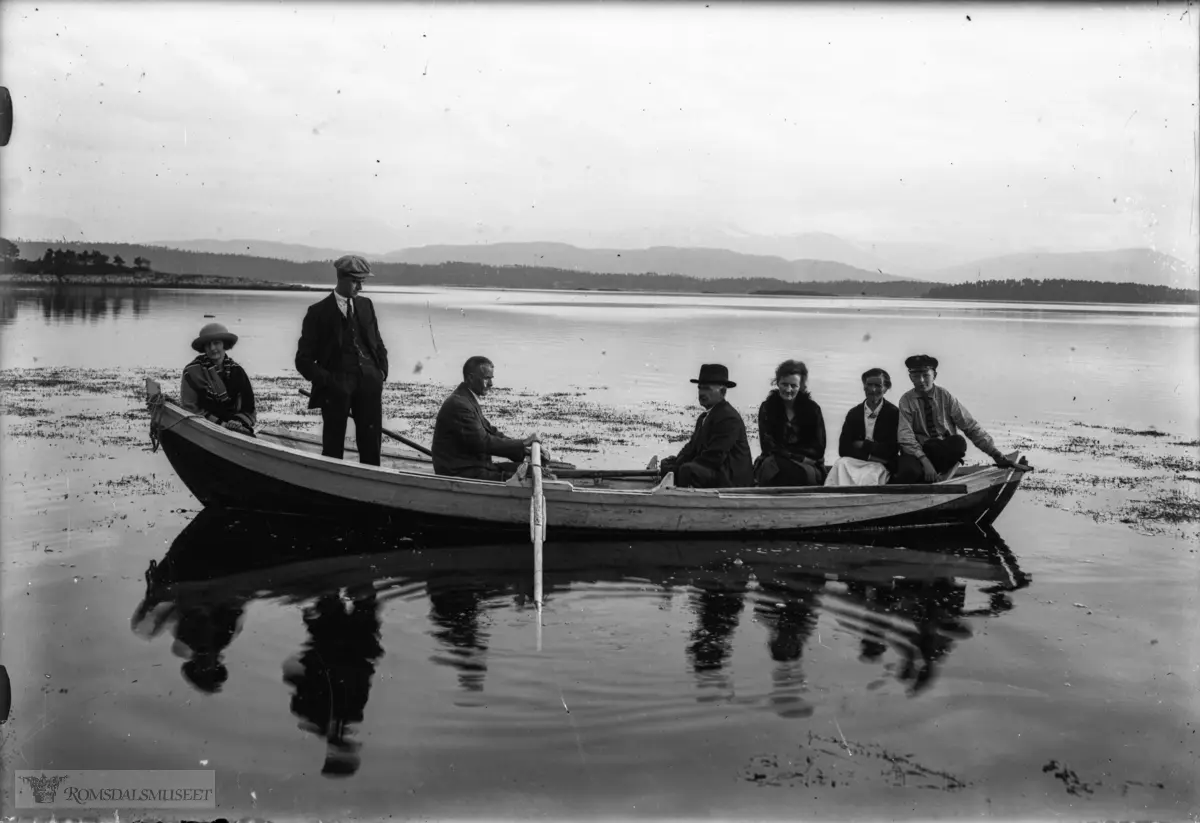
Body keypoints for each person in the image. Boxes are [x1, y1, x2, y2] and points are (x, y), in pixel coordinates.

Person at [295, 255, 389, 466]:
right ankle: (333, 485)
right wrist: (329, 381)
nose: (361, 287)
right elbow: (303, 360)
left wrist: (381, 371)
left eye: (362, 281)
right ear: (343, 279)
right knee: (333, 445)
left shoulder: (366, 306)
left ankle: (372, 483)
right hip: (336, 386)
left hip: (370, 382)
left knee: (371, 444)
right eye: (357, 281)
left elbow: (377, 342)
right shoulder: (317, 312)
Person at [893, 354, 1024, 484]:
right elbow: (905, 437)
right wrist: (925, 462)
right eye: (916, 376)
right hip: (919, 453)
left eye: (926, 375)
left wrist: (996, 455)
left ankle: (944, 476)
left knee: (958, 442)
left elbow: (970, 426)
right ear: (910, 378)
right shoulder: (906, 401)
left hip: (941, 451)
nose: (921, 380)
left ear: (934, 376)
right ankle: (930, 477)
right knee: (909, 472)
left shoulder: (945, 396)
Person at [431, 356, 550, 480]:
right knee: (527, 478)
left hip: (473, 467)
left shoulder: (466, 399)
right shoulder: (459, 405)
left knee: (529, 470)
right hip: (459, 472)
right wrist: (523, 443)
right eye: (486, 378)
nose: (491, 384)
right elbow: (484, 442)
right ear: (471, 378)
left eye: (491, 378)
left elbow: (491, 431)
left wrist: (524, 450)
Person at [659, 364, 753, 489]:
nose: (702, 393)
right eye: (700, 388)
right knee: (669, 464)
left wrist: (680, 468)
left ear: (723, 391)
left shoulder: (729, 418)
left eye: (707, 389)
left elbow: (715, 456)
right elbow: (691, 448)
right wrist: (676, 462)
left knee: (688, 470)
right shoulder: (704, 417)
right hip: (716, 472)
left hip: (731, 479)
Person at [753, 359, 826, 486]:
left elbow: (818, 448)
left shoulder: (813, 410)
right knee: (772, 467)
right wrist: (795, 456)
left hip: (808, 464)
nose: (788, 390)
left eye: (794, 386)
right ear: (777, 383)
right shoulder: (767, 407)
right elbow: (767, 446)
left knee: (796, 473)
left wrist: (791, 455)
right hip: (776, 460)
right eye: (784, 384)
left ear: (801, 386)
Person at [824, 367, 901, 486]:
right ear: (864, 386)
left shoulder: (894, 413)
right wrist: (869, 454)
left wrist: (864, 445)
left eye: (878, 385)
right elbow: (843, 449)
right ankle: (831, 499)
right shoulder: (854, 413)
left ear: (886, 388)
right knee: (840, 464)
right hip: (860, 459)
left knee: (869, 476)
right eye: (869, 385)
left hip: (880, 465)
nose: (873, 390)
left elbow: (892, 449)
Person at [180, 322, 256, 436]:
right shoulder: (191, 372)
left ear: (224, 345)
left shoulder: (238, 372)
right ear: (204, 348)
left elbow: (249, 409)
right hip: (202, 428)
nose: (212, 348)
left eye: (216, 343)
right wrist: (222, 425)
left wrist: (237, 422)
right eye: (208, 344)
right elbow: (190, 408)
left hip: (235, 427)